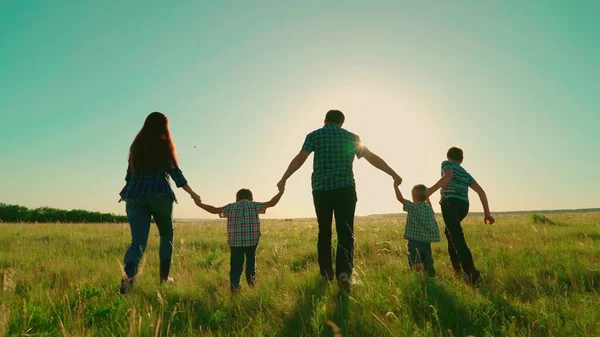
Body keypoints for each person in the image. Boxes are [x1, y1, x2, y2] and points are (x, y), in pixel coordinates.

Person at [277, 110, 402, 291]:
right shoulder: (351, 137)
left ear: (325, 120)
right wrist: (393, 174)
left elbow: (300, 158)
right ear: (342, 123)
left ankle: (326, 273)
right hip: (345, 189)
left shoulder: (314, 135)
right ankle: (343, 273)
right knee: (345, 231)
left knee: (324, 231)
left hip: (321, 190)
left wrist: (284, 178)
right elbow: (371, 158)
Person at [118, 112, 202, 294]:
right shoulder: (163, 146)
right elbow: (175, 173)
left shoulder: (136, 146)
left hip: (135, 197)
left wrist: (125, 192)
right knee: (166, 236)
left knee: (137, 242)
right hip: (159, 196)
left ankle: (127, 281)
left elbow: (130, 174)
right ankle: (164, 279)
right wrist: (192, 193)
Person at [428, 146, 495, 284]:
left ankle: (470, 271)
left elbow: (448, 176)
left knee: (456, 236)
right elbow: (481, 192)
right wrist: (487, 213)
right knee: (450, 232)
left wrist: (430, 191)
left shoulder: (446, 164)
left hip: (450, 203)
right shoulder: (465, 173)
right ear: (462, 160)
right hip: (464, 206)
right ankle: (456, 267)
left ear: (449, 157)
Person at [194, 188, 284, 292]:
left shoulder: (231, 206)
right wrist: (280, 192)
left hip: (235, 242)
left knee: (236, 267)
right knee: (251, 262)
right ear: (251, 198)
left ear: (237, 198)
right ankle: (252, 286)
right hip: (252, 241)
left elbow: (214, 210)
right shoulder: (254, 205)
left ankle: (235, 289)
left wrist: (200, 204)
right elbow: (271, 203)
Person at [393, 183, 440, 277]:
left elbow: (400, 199)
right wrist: (427, 197)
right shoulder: (429, 209)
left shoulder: (412, 207)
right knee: (427, 259)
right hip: (426, 242)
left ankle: (417, 272)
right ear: (426, 197)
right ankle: (430, 274)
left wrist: (396, 186)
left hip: (414, 241)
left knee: (414, 259)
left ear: (413, 197)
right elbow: (429, 203)